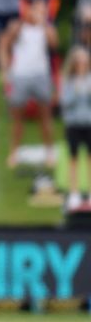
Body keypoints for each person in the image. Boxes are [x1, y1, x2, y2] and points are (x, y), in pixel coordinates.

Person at [0, 0, 57, 169]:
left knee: (45, 117)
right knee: (17, 118)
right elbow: (5, 44)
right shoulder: (19, 26)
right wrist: (5, 72)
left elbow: (54, 44)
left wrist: (44, 23)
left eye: (43, 10)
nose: (40, 13)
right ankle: (14, 152)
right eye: (37, 9)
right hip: (20, 75)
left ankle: (49, 151)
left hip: (41, 75)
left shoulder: (46, 29)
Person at [60, 47, 91, 211]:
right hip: (73, 124)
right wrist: (77, 91)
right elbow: (65, 102)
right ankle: (74, 193)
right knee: (73, 158)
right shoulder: (68, 80)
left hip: (89, 123)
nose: (82, 64)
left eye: (84, 61)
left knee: (89, 159)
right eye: (79, 61)